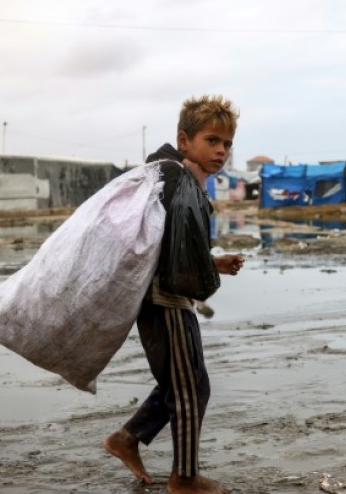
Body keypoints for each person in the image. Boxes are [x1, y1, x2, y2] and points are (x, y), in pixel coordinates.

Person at [104, 95, 244, 494]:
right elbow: (174, 255)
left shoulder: (178, 178)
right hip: (164, 300)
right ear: (185, 140)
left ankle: (127, 439)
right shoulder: (179, 179)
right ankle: (183, 478)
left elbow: (168, 243)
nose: (221, 150)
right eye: (212, 140)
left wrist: (211, 262)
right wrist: (206, 280)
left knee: (178, 382)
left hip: (163, 296)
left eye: (227, 144)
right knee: (189, 388)